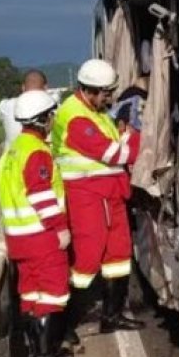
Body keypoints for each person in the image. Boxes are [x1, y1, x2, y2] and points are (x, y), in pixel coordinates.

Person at [51, 58, 144, 334]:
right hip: (87, 197)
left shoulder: (97, 111)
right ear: (88, 90)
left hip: (109, 193)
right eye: (105, 93)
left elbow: (115, 141)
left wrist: (126, 135)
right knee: (87, 259)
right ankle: (64, 324)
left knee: (118, 254)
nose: (110, 98)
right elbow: (115, 153)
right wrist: (143, 137)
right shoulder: (76, 118)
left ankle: (111, 316)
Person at [0, 90, 78, 357]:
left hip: (18, 240)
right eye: (51, 115)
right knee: (53, 294)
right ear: (42, 120)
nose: (54, 119)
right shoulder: (37, 153)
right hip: (41, 237)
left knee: (30, 294)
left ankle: (34, 351)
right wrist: (61, 228)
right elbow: (41, 195)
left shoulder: (12, 151)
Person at [0, 69, 64, 148]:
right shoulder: (57, 109)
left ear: (23, 87)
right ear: (46, 87)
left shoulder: (6, 106)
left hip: (12, 157)